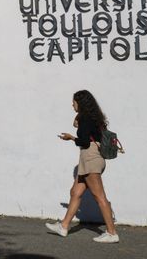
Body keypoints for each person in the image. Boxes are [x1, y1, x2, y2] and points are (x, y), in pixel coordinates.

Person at [45, 90, 119, 243]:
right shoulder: (93, 117)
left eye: (74, 102)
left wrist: (71, 137)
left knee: (99, 197)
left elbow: (84, 141)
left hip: (91, 157)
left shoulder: (86, 118)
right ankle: (64, 226)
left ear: (81, 103)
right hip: (91, 158)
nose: (72, 104)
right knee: (75, 192)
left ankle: (112, 233)